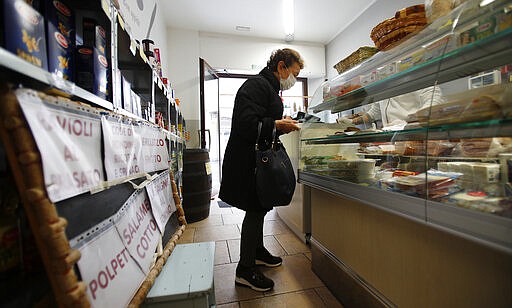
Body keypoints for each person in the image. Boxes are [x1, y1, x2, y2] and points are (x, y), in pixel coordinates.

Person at [219, 48, 303, 291]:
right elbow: (246, 124)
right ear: (281, 66)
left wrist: (277, 123)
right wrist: (277, 125)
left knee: (261, 205)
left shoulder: (268, 87)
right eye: (294, 74)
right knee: (255, 209)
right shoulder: (257, 85)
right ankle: (244, 270)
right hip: (248, 162)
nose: (294, 80)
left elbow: (261, 118)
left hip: (257, 160)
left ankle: (256, 251)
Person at [350, 85, 444, 128]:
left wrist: (411, 123)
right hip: (390, 141)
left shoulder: (417, 77)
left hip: (415, 137)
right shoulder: (382, 88)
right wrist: (351, 122)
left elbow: (434, 101)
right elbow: (373, 113)